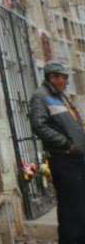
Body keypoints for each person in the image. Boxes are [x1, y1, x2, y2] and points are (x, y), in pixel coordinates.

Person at [29, 61, 85, 244]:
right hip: (64, 159)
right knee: (71, 208)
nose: (67, 82)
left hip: (76, 158)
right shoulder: (41, 96)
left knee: (80, 204)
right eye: (63, 78)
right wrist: (67, 145)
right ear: (52, 78)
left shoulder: (61, 97)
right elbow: (39, 126)